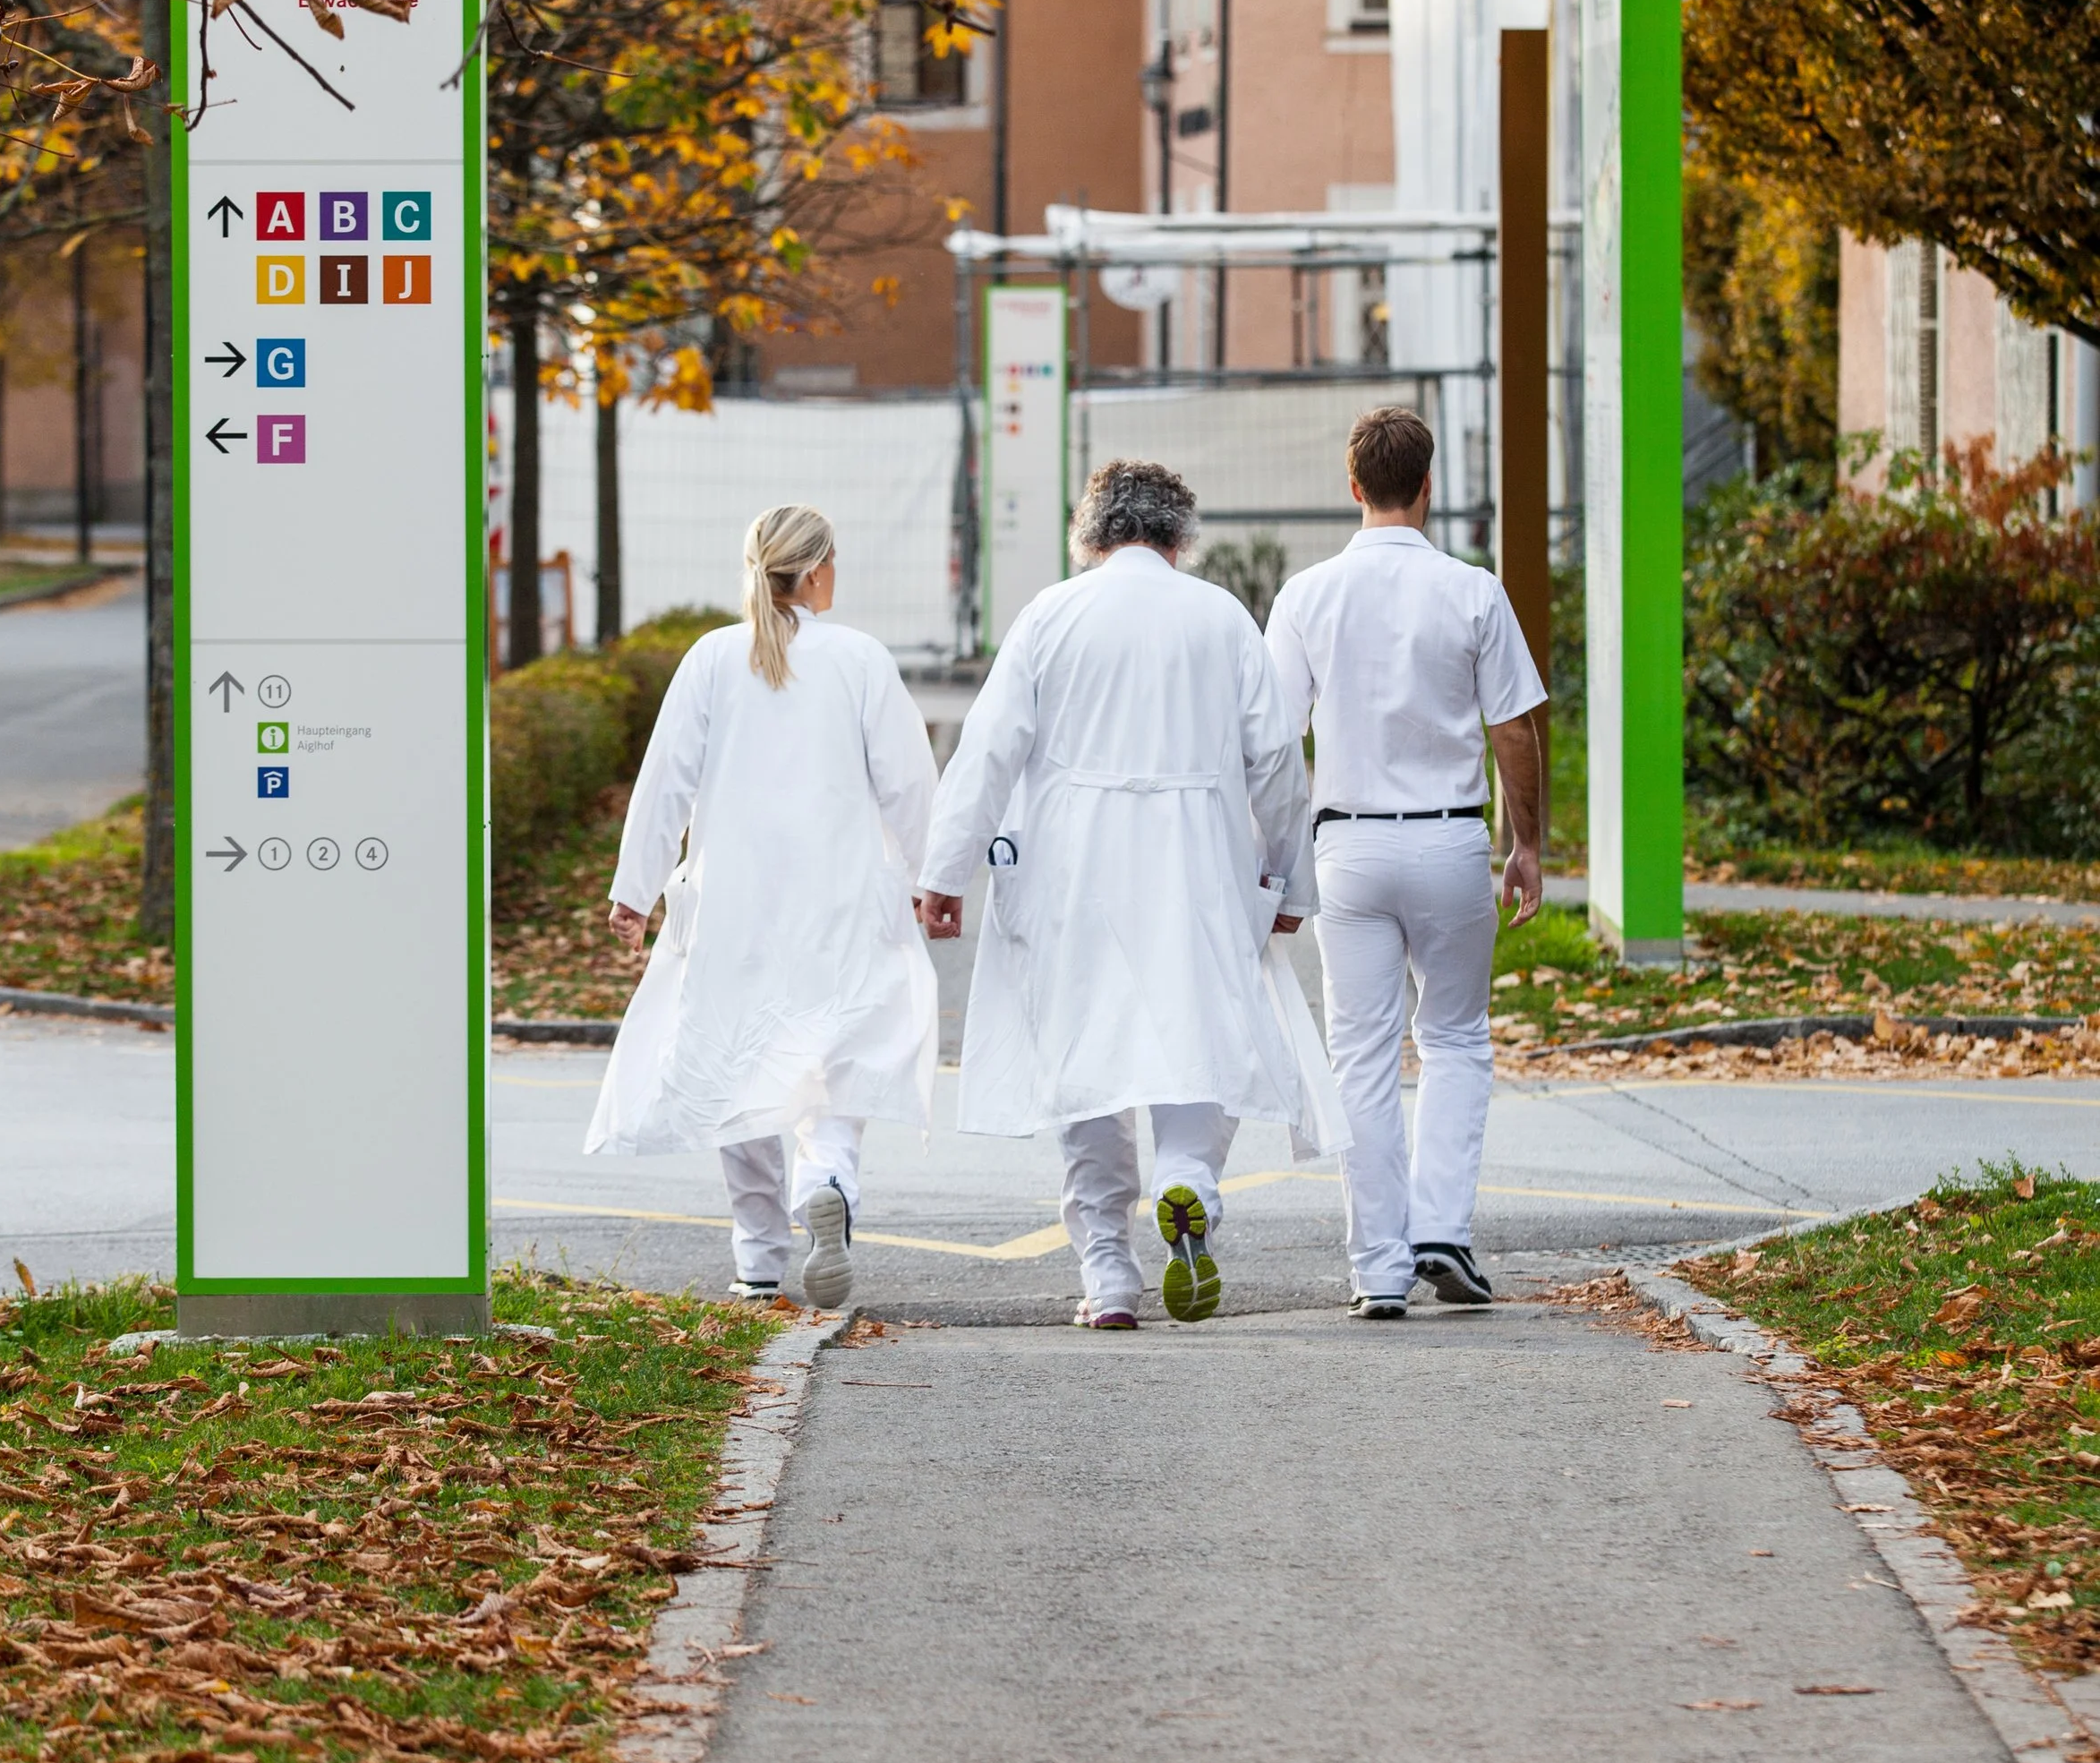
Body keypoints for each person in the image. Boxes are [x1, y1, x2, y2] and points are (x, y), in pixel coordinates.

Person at [918, 458, 1335, 1331]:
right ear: (1180, 540)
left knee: (1086, 1060)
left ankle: (1107, 1268)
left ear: (1090, 536)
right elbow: (1277, 767)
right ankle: (1189, 1183)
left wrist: (943, 873)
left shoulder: (1051, 614)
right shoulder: (1220, 618)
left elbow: (988, 750)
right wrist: (1288, 879)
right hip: (1197, 865)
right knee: (1198, 1035)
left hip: (1073, 869)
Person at [584, 502, 938, 1310]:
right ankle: (828, 1181)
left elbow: (663, 779)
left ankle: (758, 1260)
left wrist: (633, 892)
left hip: (734, 902)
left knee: (736, 1063)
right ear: (814, 572)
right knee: (841, 1051)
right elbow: (908, 783)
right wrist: (930, 877)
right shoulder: (859, 659)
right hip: (843, 898)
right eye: (835, 560)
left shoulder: (712, 659)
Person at [1265, 404, 1545, 1321]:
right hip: (1450, 839)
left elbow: (1273, 743)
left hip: (1345, 844)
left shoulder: (1305, 598)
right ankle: (1441, 1233)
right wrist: (1526, 843)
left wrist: (1275, 864)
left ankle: (1378, 1266)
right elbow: (1512, 727)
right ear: (1429, 488)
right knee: (1457, 1040)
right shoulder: (1473, 591)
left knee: (1361, 1054)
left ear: (1353, 489)